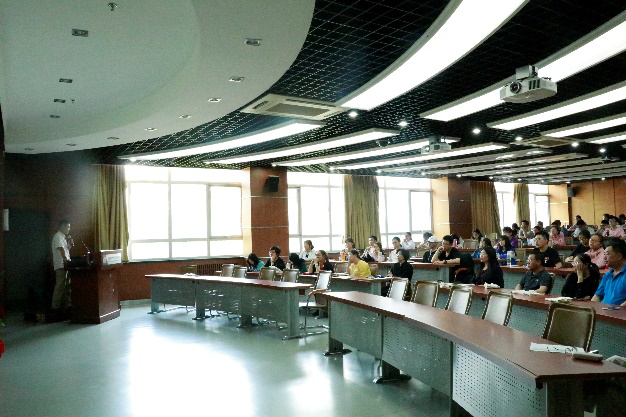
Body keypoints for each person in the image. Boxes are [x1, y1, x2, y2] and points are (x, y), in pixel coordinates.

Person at [592, 241, 626, 306]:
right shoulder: (607, 275)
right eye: (604, 254)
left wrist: (618, 309)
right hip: (604, 310)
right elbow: (597, 296)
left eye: (607, 254)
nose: (604, 258)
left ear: (619, 256)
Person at [51, 219, 73, 313]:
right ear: (62, 226)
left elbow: (66, 249)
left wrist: (70, 244)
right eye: (68, 227)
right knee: (60, 285)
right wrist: (65, 260)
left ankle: (66, 305)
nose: (69, 229)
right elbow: (61, 249)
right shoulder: (58, 236)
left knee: (67, 286)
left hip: (66, 264)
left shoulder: (63, 237)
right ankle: (55, 307)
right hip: (61, 264)